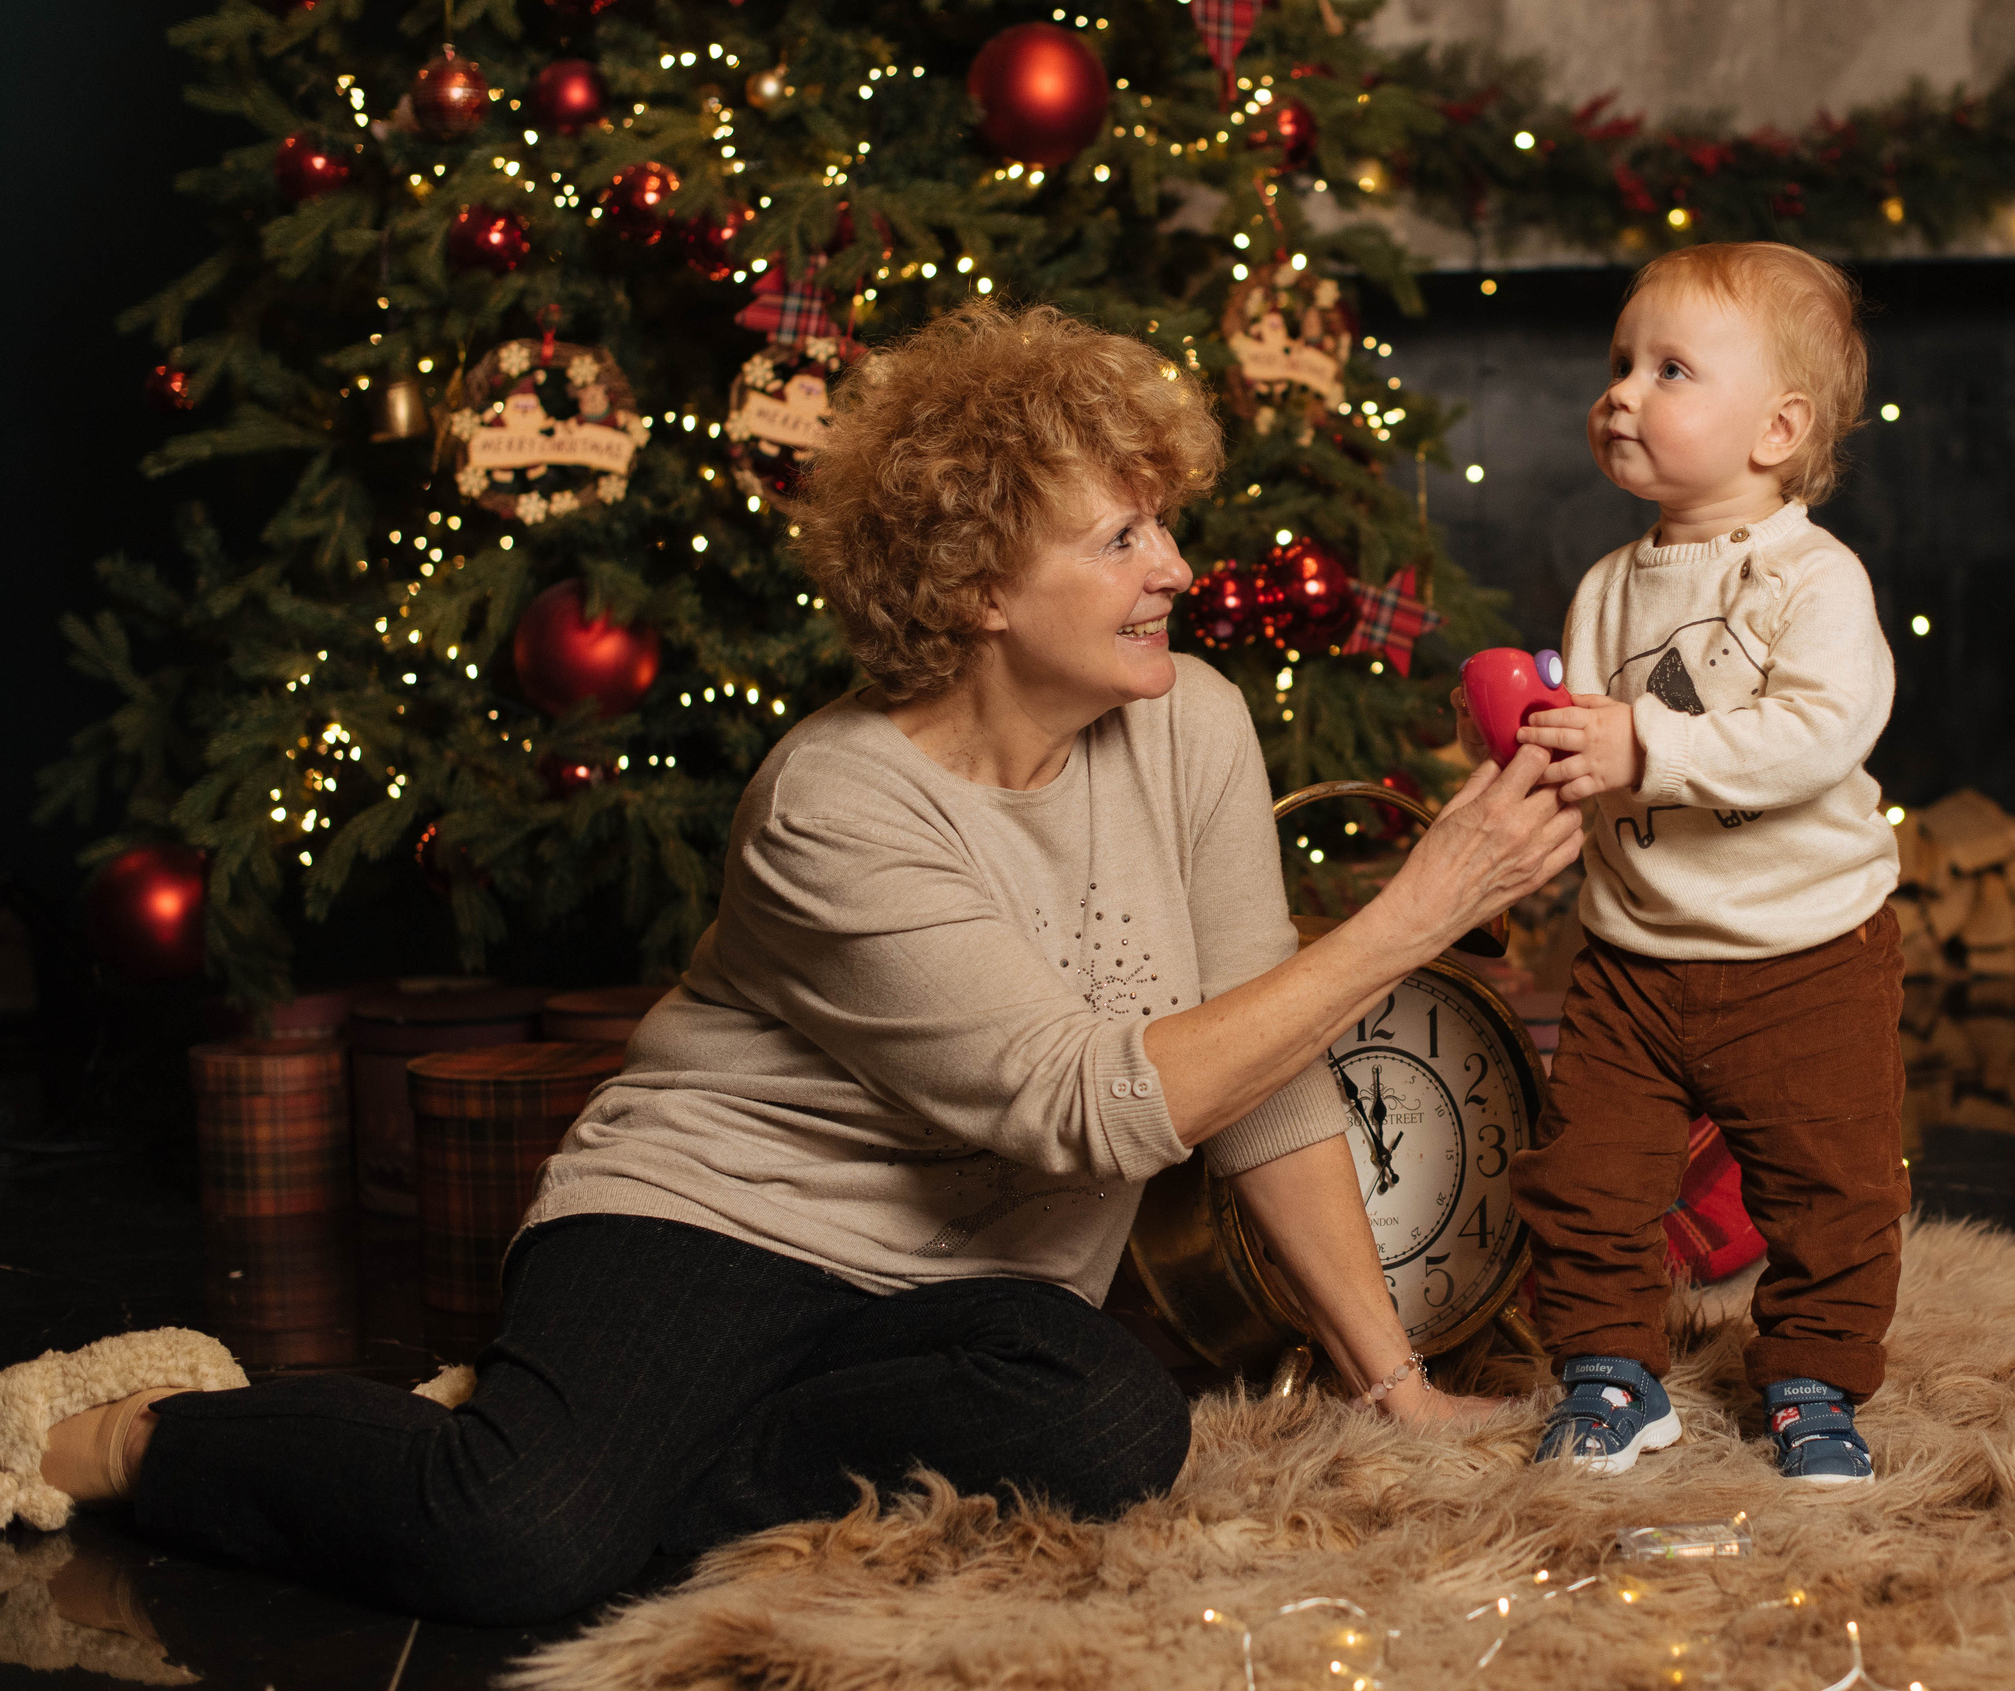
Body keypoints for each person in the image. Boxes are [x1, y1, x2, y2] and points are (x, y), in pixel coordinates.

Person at [0, 304, 1584, 1622]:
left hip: (971, 1291)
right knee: (515, 1544)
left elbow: (1261, 1080)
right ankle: (159, 1433)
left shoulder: (1195, 727)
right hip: (714, 1222)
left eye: (1163, 522)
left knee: (1116, 1422)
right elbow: (1089, 1111)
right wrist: (1417, 910)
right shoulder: (836, 800)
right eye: (1122, 536)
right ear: (979, 587)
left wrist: (1393, 1384)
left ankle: (602, 1460)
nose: (1174, 566)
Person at [1455, 242, 1906, 1485]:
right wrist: (1528, 735)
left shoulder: (1810, 576)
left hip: (1804, 952)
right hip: (1633, 953)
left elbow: (1820, 731)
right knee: (1585, 1178)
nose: (1620, 391)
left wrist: (1642, 741)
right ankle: (1608, 1372)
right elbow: (1596, 748)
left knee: (1831, 1189)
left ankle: (1814, 1378)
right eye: (1619, 363)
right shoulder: (1607, 586)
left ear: (1777, 430)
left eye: (1669, 370)